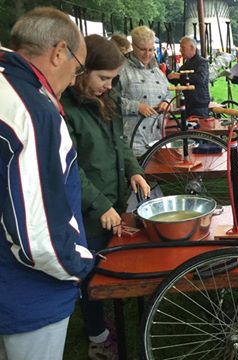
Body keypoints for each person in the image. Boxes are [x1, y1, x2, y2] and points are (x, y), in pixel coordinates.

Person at [0, 7, 94, 360]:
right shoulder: (32, 110)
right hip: (27, 292)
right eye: (78, 67)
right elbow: (37, 235)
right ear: (59, 52)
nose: (73, 80)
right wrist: (79, 266)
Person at [61, 34, 150, 359]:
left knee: (106, 262)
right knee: (91, 272)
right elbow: (71, 169)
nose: (109, 86)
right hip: (86, 210)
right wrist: (99, 205)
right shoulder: (66, 110)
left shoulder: (106, 101)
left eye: (113, 79)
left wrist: (134, 170)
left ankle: (104, 314)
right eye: (103, 78)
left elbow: (120, 144)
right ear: (82, 70)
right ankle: (98, 337)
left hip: (112, 201)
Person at [118, 26, 171, 157]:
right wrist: (136, 106)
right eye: (143, 49)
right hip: (132, 139)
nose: (147, 54)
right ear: (133, 46)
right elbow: (110, 100)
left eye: (151, 50)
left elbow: (168, 93)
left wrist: (166, 102)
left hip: (157, 138)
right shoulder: (122, 69)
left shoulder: (157, 71)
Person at [168, 36, 210, 118]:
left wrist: (179, 75)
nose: (180, 50)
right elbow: (177, 80)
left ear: (192, 48)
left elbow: (200, 78)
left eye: (182, 47)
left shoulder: (202, 62)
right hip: (188, 104)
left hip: (199, 105)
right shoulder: (187, 64)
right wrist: (167, 72)